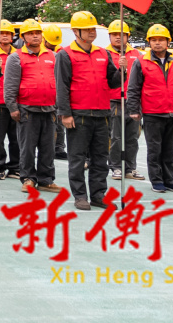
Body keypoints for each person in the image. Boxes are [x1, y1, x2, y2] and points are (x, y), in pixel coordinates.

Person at [55, 11, 122, 210]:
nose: (92, 32)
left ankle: (98, 195)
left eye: (93, 29)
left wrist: (122, 71)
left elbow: (113, 82)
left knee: (100, 158)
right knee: (77, 158)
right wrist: (65, 113)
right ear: (76, 31)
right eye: (87, 29)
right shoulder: (65, 54)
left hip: (102, 113)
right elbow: (62, 85)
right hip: (79, 114)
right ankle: (80, 195)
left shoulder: (104, 53)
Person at [3, 19, 62, 193]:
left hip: (50, 109)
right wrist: (13, 108)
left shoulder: (53, 56)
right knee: (27, 147)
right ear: (23, 37)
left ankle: (46, 179)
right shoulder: (16, 57)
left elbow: (60, 82)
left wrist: (60, 106)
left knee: (48, 147)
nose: (35, 36)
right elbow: (10, 85)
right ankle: (28, 178)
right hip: (27, 110)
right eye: (30, 33)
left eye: (37, 33)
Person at [127, 24, 173, 193]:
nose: (157, 43)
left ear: (168, 42)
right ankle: (157, 180)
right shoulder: (141, 62)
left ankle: (169, 180)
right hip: (152, 113)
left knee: (170, 150)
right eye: (154, 40)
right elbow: (133, 88)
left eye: (161, 40)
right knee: (155, 149)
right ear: (149, 43)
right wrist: (134, 109)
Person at [106, 19, 144, 181]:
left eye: (121, 34)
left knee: (132, 137)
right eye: (114, 34)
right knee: (115, 137)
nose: (117, 37)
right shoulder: (105, 53)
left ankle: (130, 167)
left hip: (133, 101)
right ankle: (115, 167)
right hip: (114, 101)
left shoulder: (137, 55)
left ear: (127, 37)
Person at [0, 21, 20, 180]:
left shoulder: (19, 53)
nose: (5, 35)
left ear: (13, 36)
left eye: (8, 33)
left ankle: (14, 167)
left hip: (14, 102)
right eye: (2, 33)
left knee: (16, 138)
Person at [43, 22, 68, 162]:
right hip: (46, 92)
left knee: (59, 122)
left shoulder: (60, 51)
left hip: (57, 91)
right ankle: (48, 147)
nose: (52, 45)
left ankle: (59, 148)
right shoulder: (39, 51)